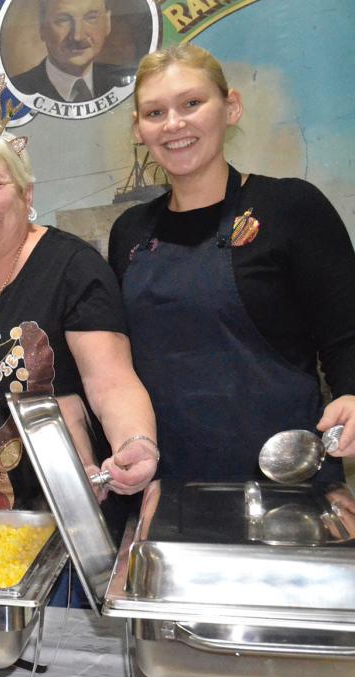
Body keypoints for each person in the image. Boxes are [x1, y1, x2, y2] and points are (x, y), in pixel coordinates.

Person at [109, 44, 355, 483]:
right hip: (167, 486)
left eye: (191, 104)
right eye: (155, 113)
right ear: (138, 129)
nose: (175, 124)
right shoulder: (129, 233)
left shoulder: (290, 207)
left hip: (286, 481)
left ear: (231, 107)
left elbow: (346, 332)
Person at [0, 127, 157, 512]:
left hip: (69, 507)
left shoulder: (73, 268)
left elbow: (111, 382)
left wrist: (135, 443)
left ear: (26, 194)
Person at [9, 0, 134, 103]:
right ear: (42, 28)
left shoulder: (127, 83)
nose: (77, 36)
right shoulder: (16, 91)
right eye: (63, 20)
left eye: (91, 18)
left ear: (107, 23)